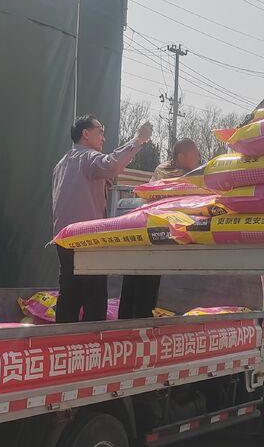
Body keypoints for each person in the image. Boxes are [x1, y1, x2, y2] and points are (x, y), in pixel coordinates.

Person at [52, 115, 153, 323]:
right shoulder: (88, 158)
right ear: (85, 134)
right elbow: (111, 164)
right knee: (94, 296)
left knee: (69, 292)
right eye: (100, 131)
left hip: (63, 238)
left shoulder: (62, 164)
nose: (103, 138)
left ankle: (61, 337)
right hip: (87, 239)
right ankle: (94, 338)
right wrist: (138, 140)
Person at [118, 138, 203, 319]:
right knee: (145, 288)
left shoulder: (162, 170)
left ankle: (125, 325)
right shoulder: (181, 177)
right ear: (181, 157)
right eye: (195, 153)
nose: (199, 156)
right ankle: (139, 328)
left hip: (141, 231)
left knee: (133, 284)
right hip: (152, 234)